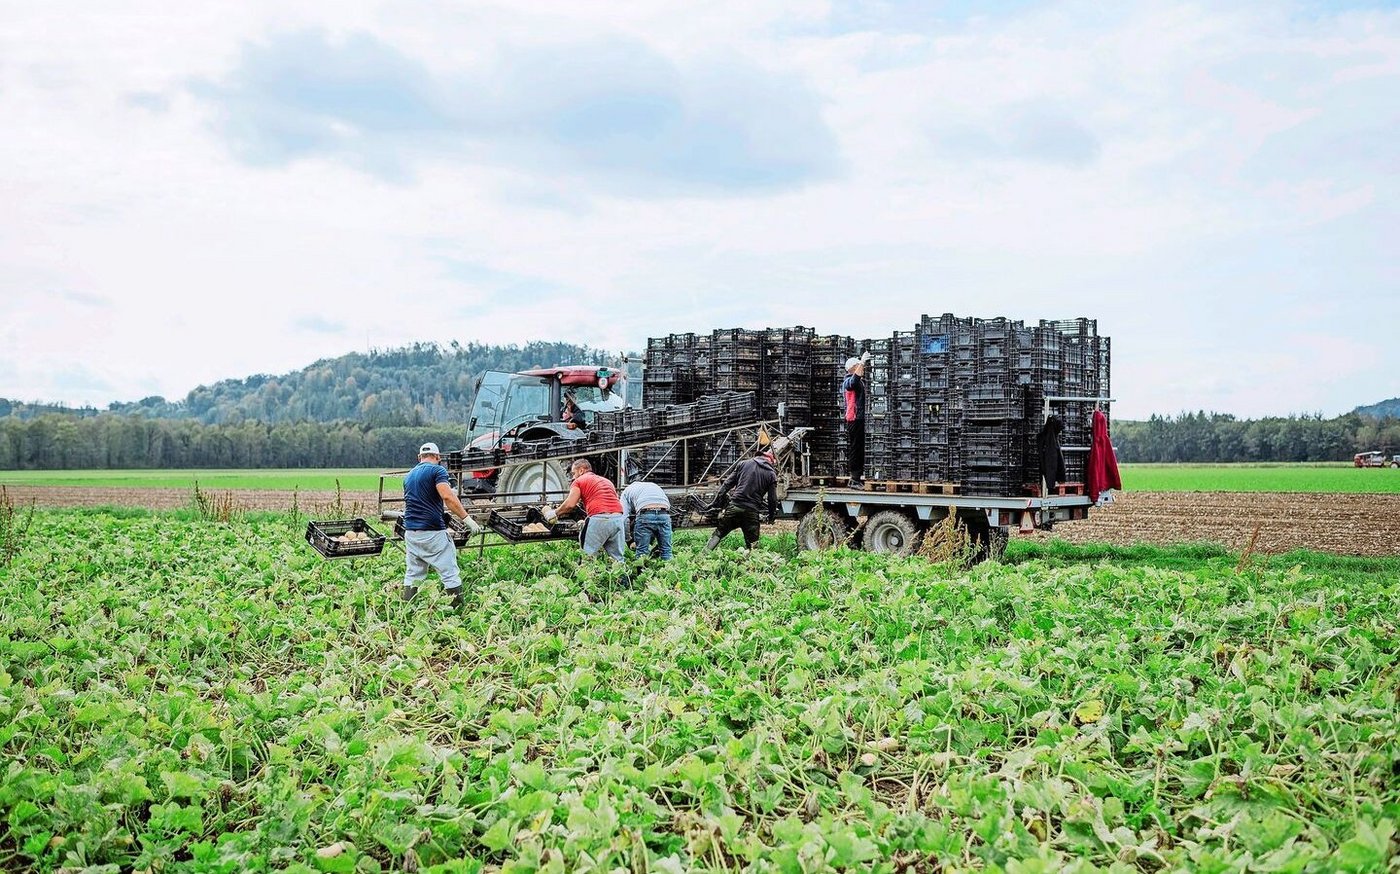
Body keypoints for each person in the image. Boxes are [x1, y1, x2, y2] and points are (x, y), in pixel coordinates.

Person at [402, 441, 473, 608]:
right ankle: (457, 611)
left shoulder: (409, 475)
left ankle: (406, 611)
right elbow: (447, 497)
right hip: (432, 531)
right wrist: (467, 519)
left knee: (413, 573)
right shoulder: (437, 470)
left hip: (411, 532)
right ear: (438, 457)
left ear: (419, 457)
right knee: (449, 572)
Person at [544, 459, 625, 562]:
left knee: (587, 557)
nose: (573, 477)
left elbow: (570, 504)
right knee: (618, 560)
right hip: (617, 519)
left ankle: (587, 577)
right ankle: (622, 578)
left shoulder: (579, 481)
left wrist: (554, 513)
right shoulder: (606, 481)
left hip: (599, 518)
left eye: (574, 473)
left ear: (581, 471)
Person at [704, 450, 778, 551]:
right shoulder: (771, 474)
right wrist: (771, 517)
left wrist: (716, 503)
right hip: (751, 511)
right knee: (753, 542)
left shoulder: (743, 464)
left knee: (719, 533)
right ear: (771, 462)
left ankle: (703, 555)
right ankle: (753, 563)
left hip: (735, 506)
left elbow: (726, 485)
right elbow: (772, 499)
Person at [621, 476, 672, 560]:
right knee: (666, 551)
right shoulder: (653, 485)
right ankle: (668, 571)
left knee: (642, 553)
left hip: (645, 513)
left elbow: (624, 519)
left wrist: (628, 539)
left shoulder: (626, 491)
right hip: (664, 514)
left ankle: (642, 572)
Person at [842, 354, 869, 487]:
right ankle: (854, 479)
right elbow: (853, 382)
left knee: (859, 448)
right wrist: (862, 362)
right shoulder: (848, 380)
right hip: (854, 418)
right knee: (855, 448)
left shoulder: (858, 380)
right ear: (852, 368)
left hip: (858, 418)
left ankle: (856, 478)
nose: (862, 368)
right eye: (858, 366)